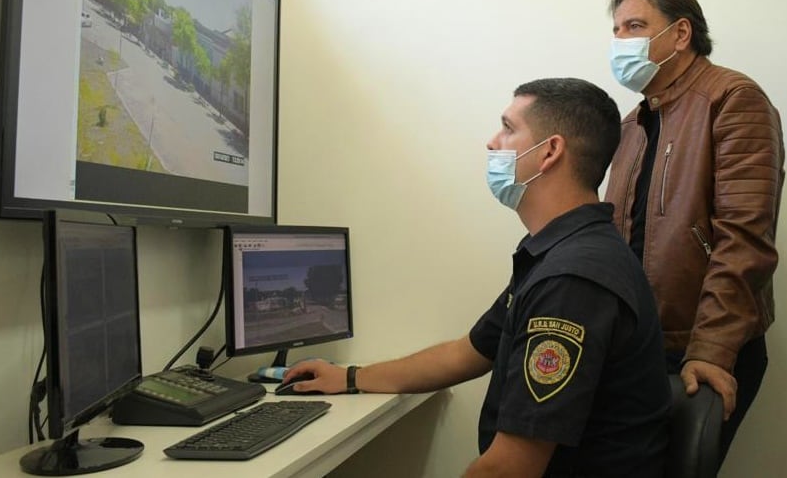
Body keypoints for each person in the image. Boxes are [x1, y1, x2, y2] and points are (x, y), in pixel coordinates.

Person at [284, 78, 671, 477]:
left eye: (508, 127)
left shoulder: (573, 278)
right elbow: (465, 353)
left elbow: (507, 470)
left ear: (550, 151)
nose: (492, 142)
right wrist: (350, 377)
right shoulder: (558, 252)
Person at [604, 0, 784, 464]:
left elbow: (745, 238)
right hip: (642, 348)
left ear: (680, 34)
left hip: (701, 347)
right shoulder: (633, 122)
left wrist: (711, 348)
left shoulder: (732, 98)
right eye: (616, 30)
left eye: (635, 26)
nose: (620, 41)